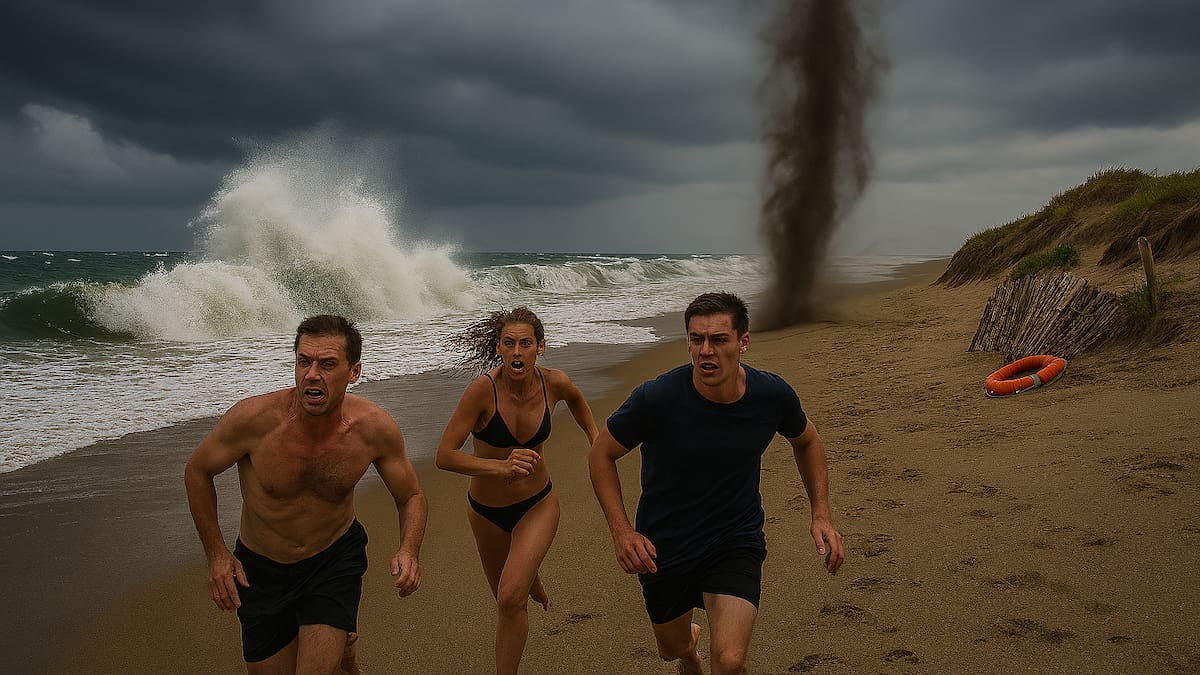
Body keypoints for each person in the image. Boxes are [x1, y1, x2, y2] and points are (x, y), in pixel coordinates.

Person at [588, 292, 844, 675]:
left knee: (729, 660)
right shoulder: (656, 399)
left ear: (743, 341)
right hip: (665, 544)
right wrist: (622, 532)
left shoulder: (771, 396)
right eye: (697, 339)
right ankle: (689, 651)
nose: (706, 350)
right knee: (671, 648)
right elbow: (600, 454)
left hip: (734, 539)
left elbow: (806, 440)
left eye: (719, 340)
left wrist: (821, 513)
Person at [184, 314, 428, 674]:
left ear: (354, 372)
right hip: (261, 569)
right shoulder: (254, 420)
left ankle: (335, 636)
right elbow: (197, 471)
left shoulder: (373, 429)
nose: (312, 374)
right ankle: (343, 648)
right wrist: (217, 555)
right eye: (304, 361)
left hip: (333, 560)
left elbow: (411, 496)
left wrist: (409, 549)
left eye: (327, 364)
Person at [436, 306, 598, 675]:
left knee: (511, 599)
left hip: (537, 504)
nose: (516, 352)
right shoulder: (482, 391)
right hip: (486, 513)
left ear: (540, 347)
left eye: (525, 343)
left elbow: (576, 399)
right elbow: (444, 456)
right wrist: (499, 467)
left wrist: (595, 437)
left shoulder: (553, 382)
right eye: (509, 344)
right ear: (498, 348)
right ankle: (528, 572)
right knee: (506, 600)